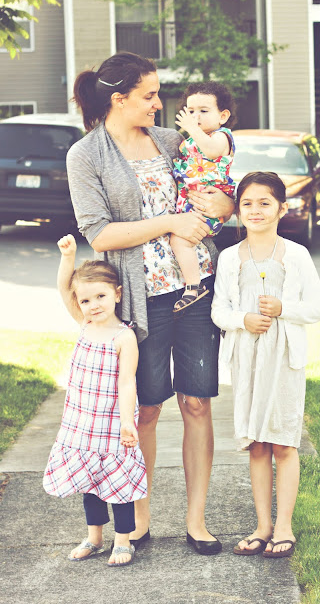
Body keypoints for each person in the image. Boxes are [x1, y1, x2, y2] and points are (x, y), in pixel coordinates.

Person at [66, 52, 235, 555]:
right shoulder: (86, 155)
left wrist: (225, 205)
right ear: (119, 99)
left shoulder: (170, 141)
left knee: (197, 402)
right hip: (142, 298)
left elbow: (215, 182)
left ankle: (196, 520)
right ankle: (138, 519)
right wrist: (169, 223)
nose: (159, 104)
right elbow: (99, 233)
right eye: (150, 95)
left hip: (196, 289)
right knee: (145, 409)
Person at [211, 172, 320, 558]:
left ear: (282, 208)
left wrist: (283, 309)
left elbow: (317, 308)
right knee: (257, 444)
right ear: (237, 210)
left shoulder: (296, 255)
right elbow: (219, 310)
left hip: (283, 359)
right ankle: (262, 526)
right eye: (247, 203)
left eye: (265, 203)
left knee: (283, 441)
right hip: (247, 359)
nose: (256, 210)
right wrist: (243, 320)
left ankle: (284, 527)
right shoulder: (230, 258)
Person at [43, 234, 145, 567]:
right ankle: (94, 537)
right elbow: (64, 289)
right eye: (86, 300)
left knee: (117, 483)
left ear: (117, 294)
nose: (94, 305)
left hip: (113, 423)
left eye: (101, 296)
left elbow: (127, 381)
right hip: (81, 422)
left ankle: (123, 541)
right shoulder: (84, 324)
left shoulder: (124, 336)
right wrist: (68, 258)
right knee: (90, 481)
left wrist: (128, 422)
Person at [171, 81, 236, 312]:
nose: (195, 117)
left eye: (204, 111)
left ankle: (193, 287)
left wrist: (192, 129)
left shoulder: (221, 137)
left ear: (223, 116)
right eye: (191, 111)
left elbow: (210, 150)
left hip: (209, 206)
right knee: (178, 239)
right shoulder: (192, 139)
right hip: (193, 203)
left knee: (179, 240)